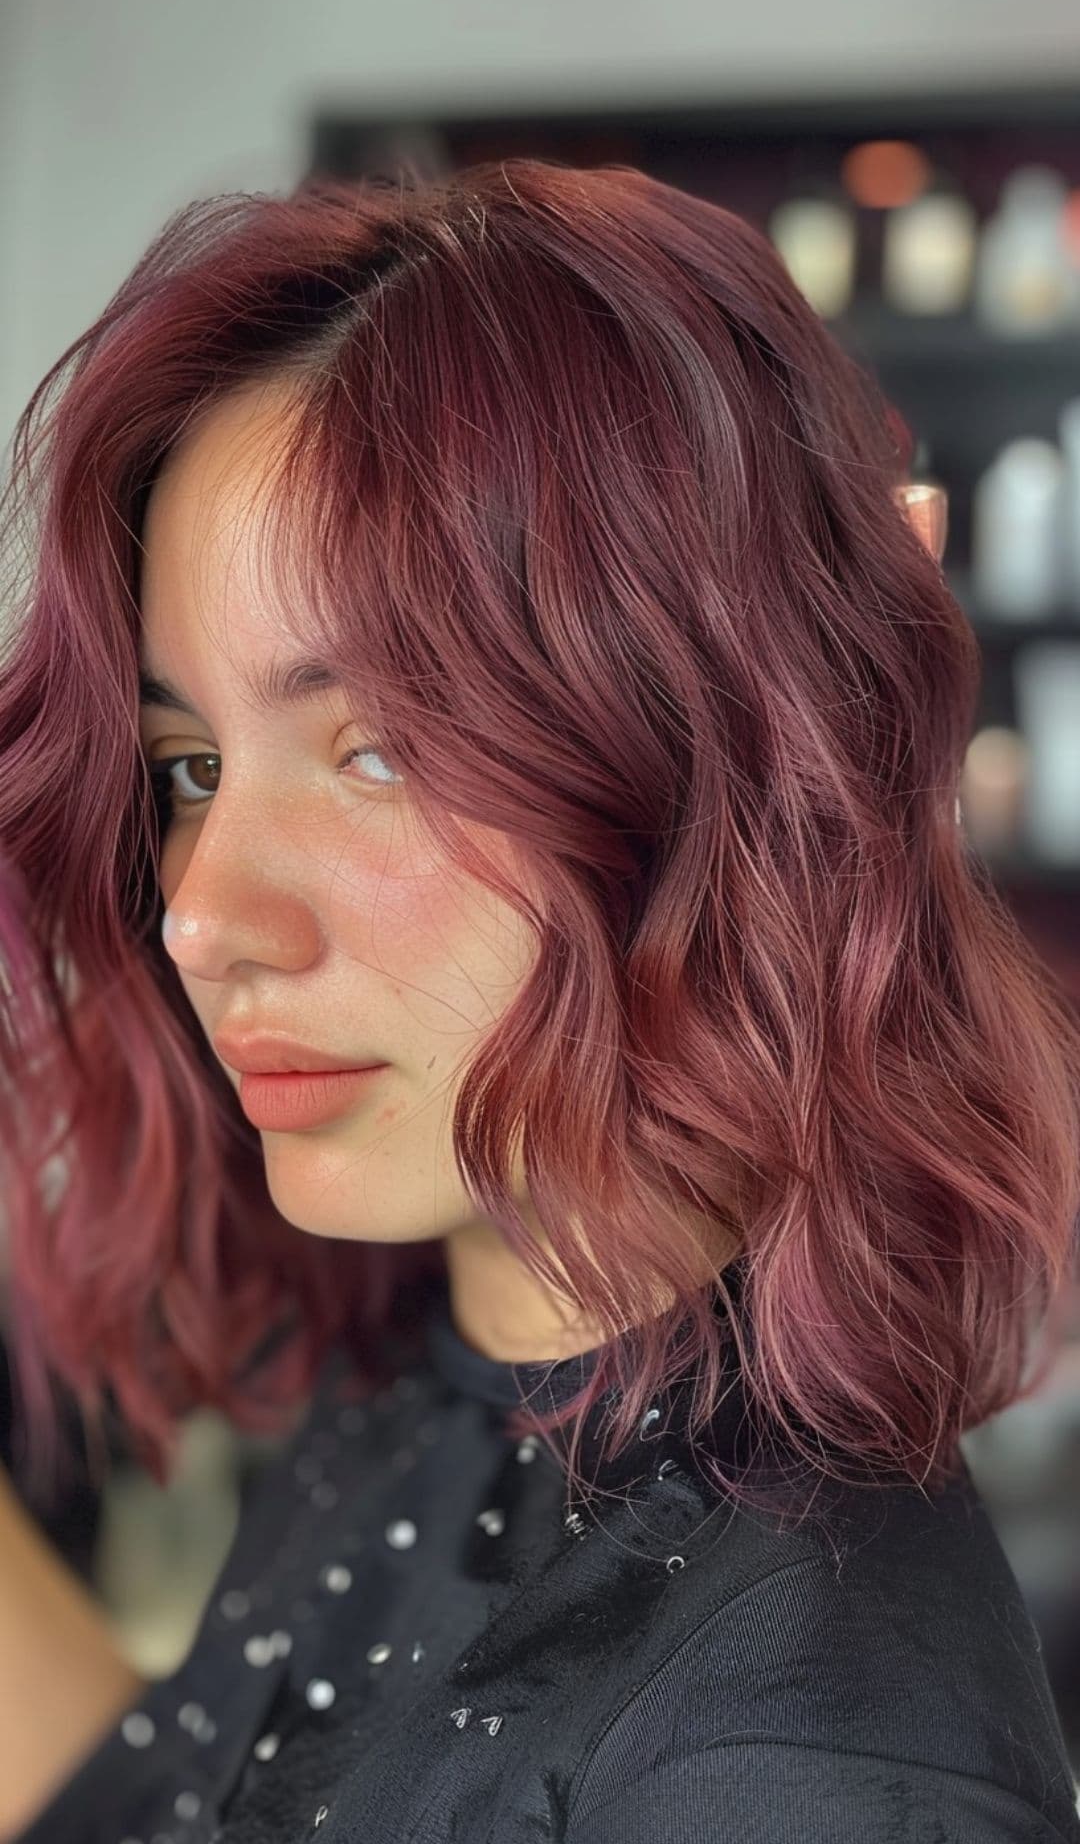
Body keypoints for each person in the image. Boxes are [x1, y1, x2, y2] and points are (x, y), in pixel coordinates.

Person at [0, 157, 1078, 1844]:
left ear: (718, 761)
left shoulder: (801, 1749)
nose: (203, 916)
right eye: (192, 766)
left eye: (383, 754)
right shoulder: (444, 1375)